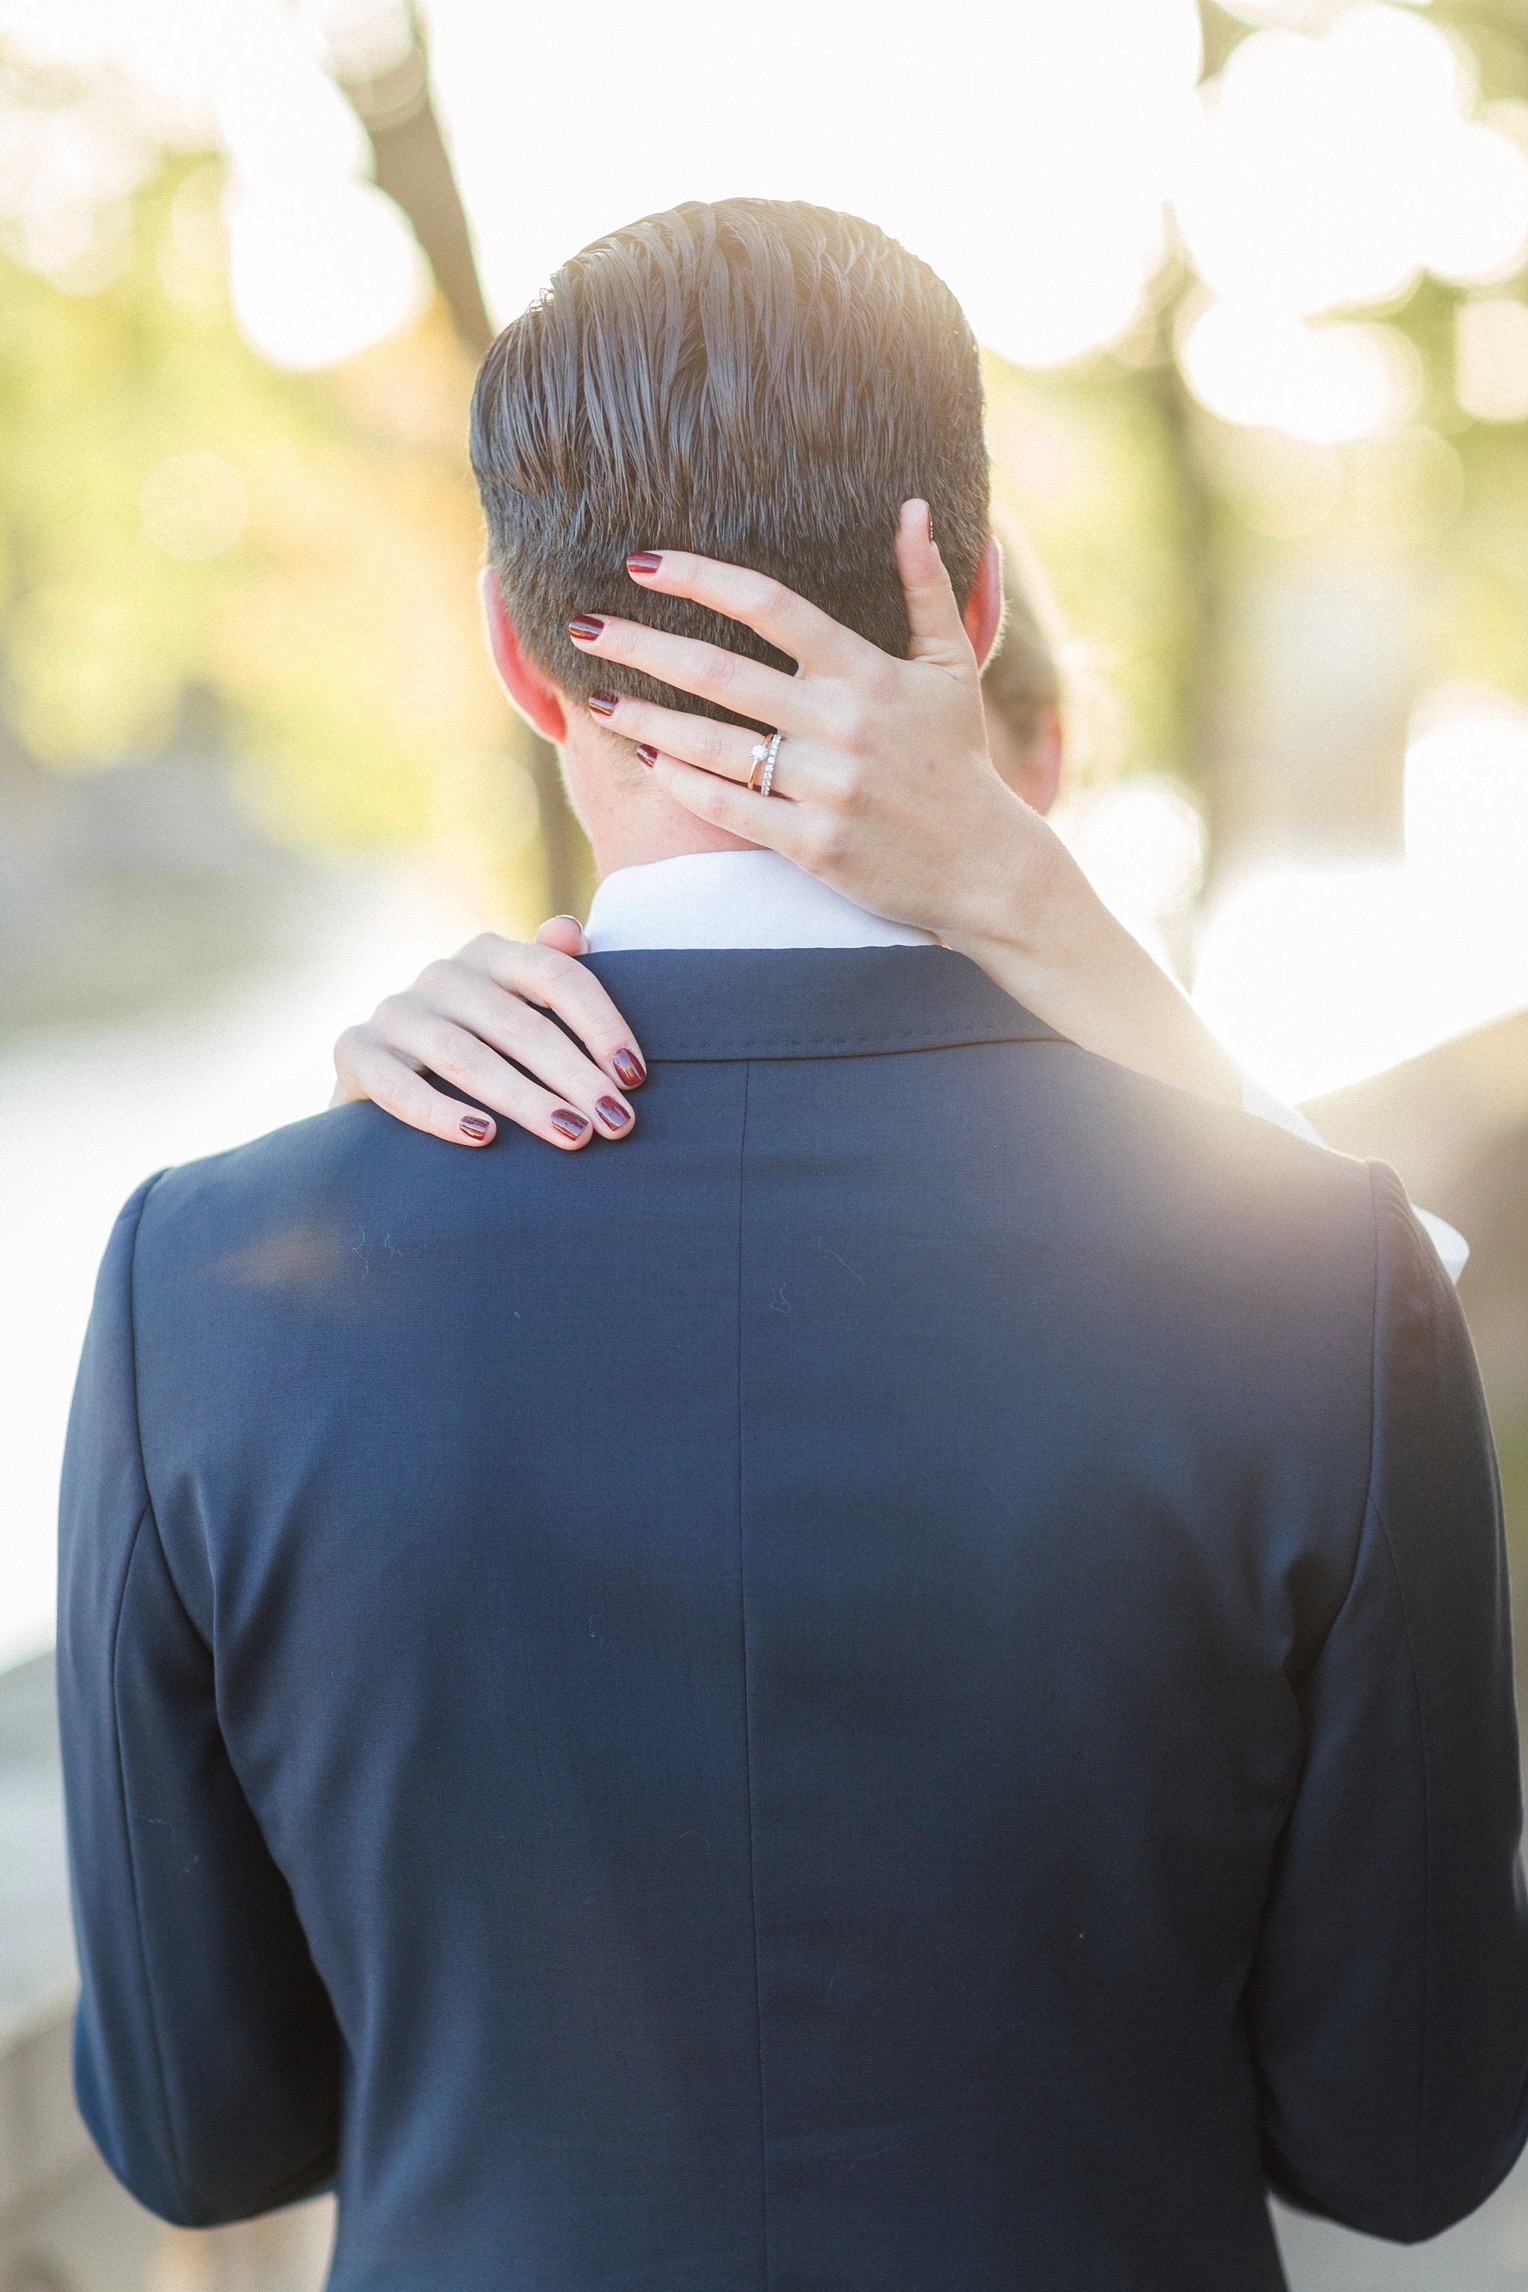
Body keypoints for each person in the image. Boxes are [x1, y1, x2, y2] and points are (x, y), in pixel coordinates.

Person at [59, 199, 1523, 2290]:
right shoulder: (1317, 1281)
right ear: (977, 599)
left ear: (507, 649)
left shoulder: (198, 1287)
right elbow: (1400, 2144)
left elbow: (204, 2142)